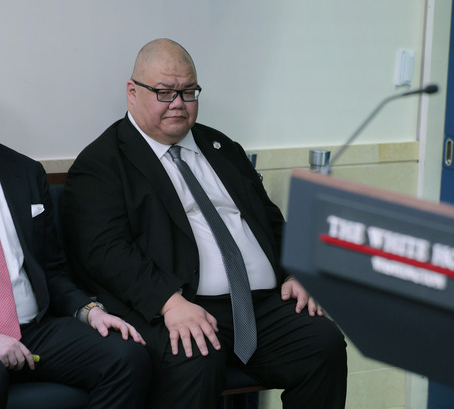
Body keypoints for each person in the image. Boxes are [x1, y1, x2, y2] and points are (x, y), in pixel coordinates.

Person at [61, 38, 347, 409]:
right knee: (194, 353)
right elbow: (104, 251)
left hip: (259, 304)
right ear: (132, 92)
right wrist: (168, 302)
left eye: (188, 92)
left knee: (321, 343)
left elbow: (269, 220)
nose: (178, 104)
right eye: (164, 92)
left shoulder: (221, 147)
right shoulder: (102, 162)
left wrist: (295, 272)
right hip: (178, 304)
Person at [0, 143, 149, 408]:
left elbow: (51, 270)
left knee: (126, 357)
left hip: (34, 329)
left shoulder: (25, 171)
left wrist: (91, 312)